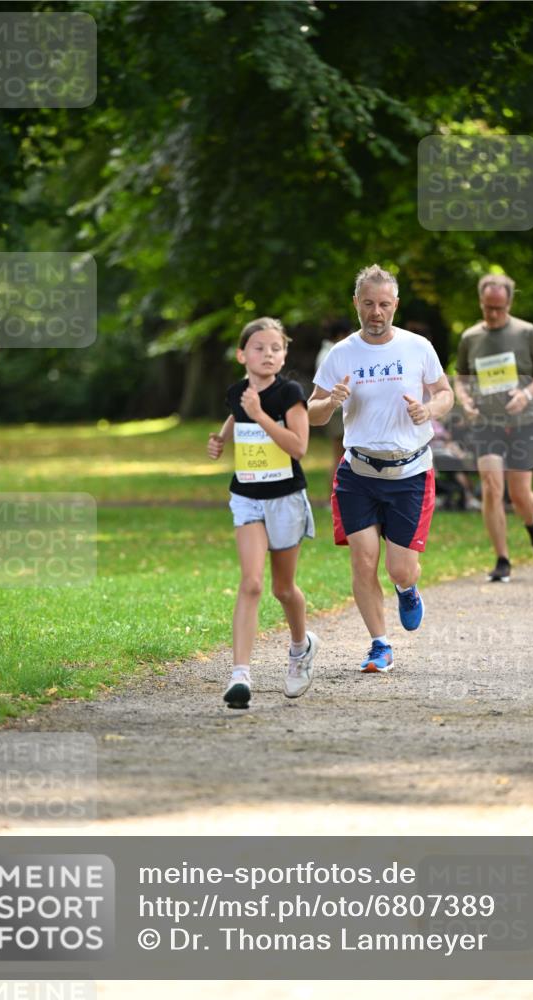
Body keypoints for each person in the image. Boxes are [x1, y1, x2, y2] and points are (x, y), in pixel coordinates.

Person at [308, 264, 454, 673]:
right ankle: (379, 644)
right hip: (358, 474)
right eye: (368, 304)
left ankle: (407, 588)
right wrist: (330, 402)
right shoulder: (341, 354)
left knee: (399, 566)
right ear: (356, 303)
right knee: (363, 558)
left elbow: (445, 393)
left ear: (395, 305)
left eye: (384, 304)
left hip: (409, 473)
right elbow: (313, 413)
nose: (376, 312)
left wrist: (430, 408)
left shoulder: (417, 347)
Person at [208, 317, 319, 708]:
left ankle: (300, 647)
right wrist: (222, 438)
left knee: (282, 588)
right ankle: (240, 675)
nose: (268, 354)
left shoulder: (289, 393)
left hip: (285, 497)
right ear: (242, 355)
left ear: (284, 354)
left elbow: (298, 447)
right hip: (247, 497)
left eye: (276, 348)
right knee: (251, 582)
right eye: (259, 348)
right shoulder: (238, 393)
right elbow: (235, 413)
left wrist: (260, 416)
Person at [455, 273, 533, 582]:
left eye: (499, 308)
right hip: (487, 422)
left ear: (509, 303)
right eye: (488, 308)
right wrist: (465, 401)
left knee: (519, 493)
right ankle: (502, 559)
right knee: (490, 486)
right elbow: (461, 377)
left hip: (523, 420)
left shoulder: (526, 333)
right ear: (481, 303)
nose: (493, 314)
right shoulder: (470, 338)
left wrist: (526, 393)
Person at [315, 318, 353, 486]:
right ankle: (334, 493)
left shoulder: (329, 351)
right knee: (340, 456)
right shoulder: (331, 354)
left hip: (336, 410)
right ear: (340, 335)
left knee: (339, 455)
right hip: (336, 411)